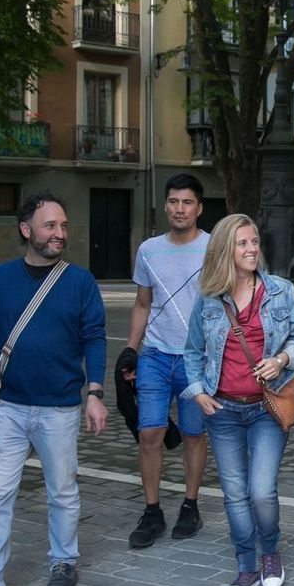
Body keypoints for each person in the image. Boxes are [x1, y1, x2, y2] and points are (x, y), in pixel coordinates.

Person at [0, 193, 107, 586]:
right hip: (6, 407)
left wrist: (95, 393)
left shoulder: (79, 282)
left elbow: (93, 337)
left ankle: (63, 562)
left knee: (61, 491)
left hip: (58, 408)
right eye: (50, 226)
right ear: (26, 230)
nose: (60, 233)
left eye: (63, 226)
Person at [182, 214, 294, 586]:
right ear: (225, 250)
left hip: (267, 408)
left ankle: (270, 552)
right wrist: (197, 391)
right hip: (223, 410)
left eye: (254, 242)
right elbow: (192, 350)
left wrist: (282, 359)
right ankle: (245, 566)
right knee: (234, 493)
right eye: (242, 244)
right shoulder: (208, 298)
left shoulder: (280, 291)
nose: (252, 249)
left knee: (260, 491)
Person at [119, 175, 211, 549]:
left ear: (199, 208)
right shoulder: (149, 250)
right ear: (165, 206)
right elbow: (143, 304)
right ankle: (152, 510)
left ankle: (190, 504)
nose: (179, 209)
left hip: (196, 359)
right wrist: (130, 350)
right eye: (173, 201)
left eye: (187, 202)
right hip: (155, 355)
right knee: (149, 433)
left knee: (192, 434)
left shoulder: (213, 248)